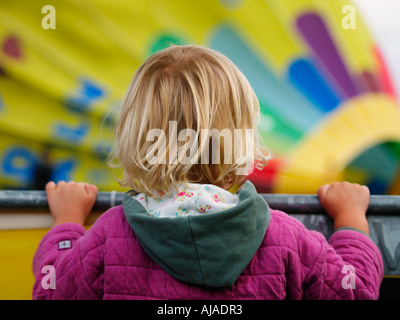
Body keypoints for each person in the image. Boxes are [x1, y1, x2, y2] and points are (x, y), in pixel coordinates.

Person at [32, 45, 383, 300]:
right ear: (241, 137)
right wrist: (351, 220)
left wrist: (67, 224)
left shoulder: (110, 235)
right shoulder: (286, 237)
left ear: (137, 138)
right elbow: (356, 291)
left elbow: (51, 293)